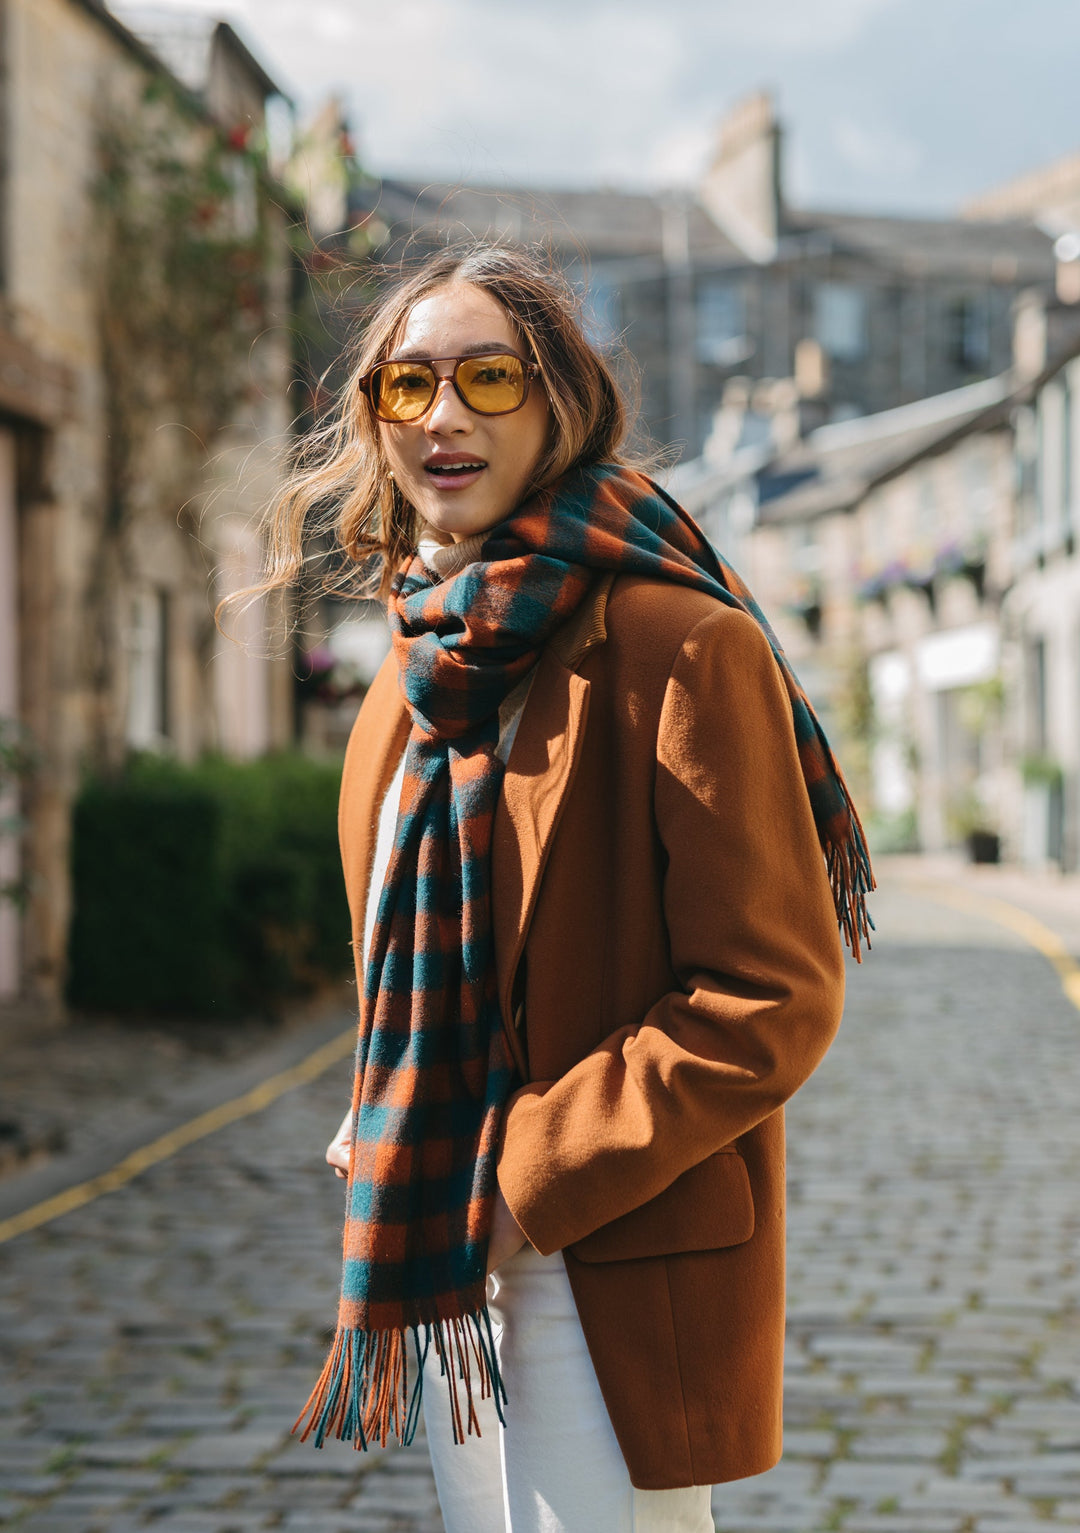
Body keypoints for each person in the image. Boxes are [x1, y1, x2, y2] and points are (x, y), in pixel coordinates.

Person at [264, 244, 870, 1533]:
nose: (446, 416)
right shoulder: (405, 680)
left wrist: (524, 1176)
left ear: (562, 406)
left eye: (490, 377)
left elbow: (771, 997)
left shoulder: (678, 645)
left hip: (609, 1251)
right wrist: (382, 1108)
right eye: (408, 385)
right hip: (441, 1245)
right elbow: (417, 971)